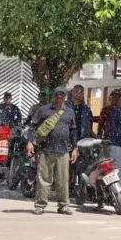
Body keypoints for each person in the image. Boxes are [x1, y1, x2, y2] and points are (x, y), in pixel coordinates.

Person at [25, 87, 78, 215]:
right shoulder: (44, 110)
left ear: (66, 97)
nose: (59, 97)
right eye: (57, 95)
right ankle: (40, 205)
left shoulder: (70, 112)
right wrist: (30, 142)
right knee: (44, 179)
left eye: (62, 95)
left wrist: (75, 148)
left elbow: (73, 131)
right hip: (46, 150)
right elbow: (33, 126)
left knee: (63, 180)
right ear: (54, 96)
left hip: (63, 151)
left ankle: (63, 206)